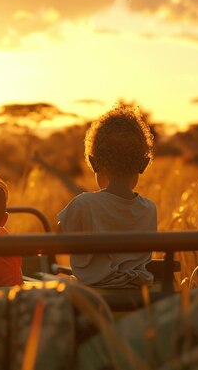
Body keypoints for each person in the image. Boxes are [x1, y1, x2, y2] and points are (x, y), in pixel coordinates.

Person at [58, 104, 157, 288]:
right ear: (143, 165)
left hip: (94, 295)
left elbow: (57, 237)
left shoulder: (84, 203)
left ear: (94, 163)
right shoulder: (150, 209)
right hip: (138, 293)